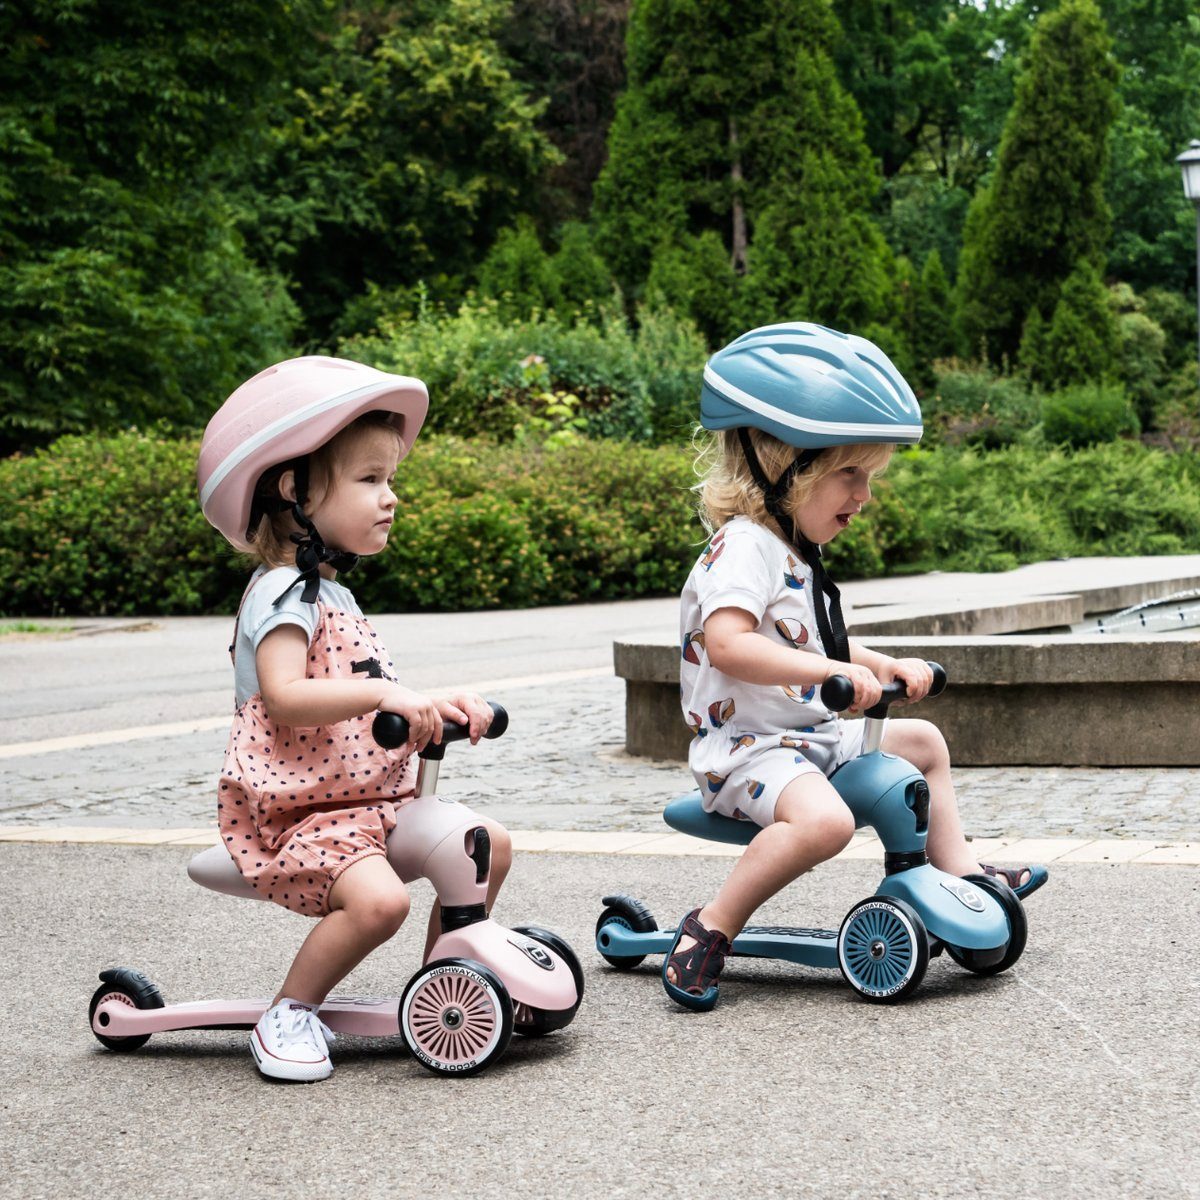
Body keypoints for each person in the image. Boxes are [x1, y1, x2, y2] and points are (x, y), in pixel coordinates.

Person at [667, 323, 1046, 1012]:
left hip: (807, 739)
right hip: (749, 751)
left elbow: (823, 645)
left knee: (924, 741)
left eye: (868, 478)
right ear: (784, 462)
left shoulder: (792, 553)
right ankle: (711, 926)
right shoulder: (743, 546)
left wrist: (883, 663)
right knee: (826, 826)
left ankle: (961, 871)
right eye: (850, 473)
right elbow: (727, 644)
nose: (863, 496)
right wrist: (824, 678)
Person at [197, 356, 511, 1080]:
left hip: (371, 805)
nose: (391, 497)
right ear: (293, 490)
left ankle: (451, 991)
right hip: (301, 815)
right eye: (371, 480)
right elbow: (283, 696)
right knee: (377, 905)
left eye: (390, 479)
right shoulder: (281, 591)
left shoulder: (333, 595)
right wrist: (384, 697)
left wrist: (440, 706)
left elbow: (378, 704)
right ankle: (290, 1013)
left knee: (482, 842)